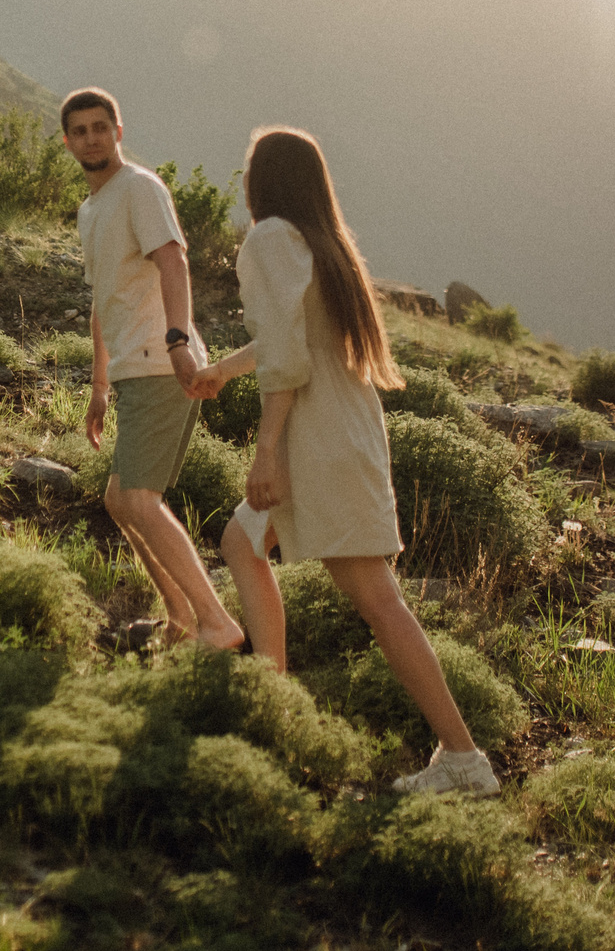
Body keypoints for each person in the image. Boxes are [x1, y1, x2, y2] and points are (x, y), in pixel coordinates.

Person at [189, 125, 500, 796]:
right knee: (241, 540)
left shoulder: (272, 238)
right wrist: (224, 370)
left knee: (377, 599)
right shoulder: (322, 240)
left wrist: (265, 450)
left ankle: (463, 756)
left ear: (261, 179)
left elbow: (290, 358)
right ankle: (278, 704)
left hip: (315, 433)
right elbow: (291, 339)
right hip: (342, 422)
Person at [62, 86, 247, 652]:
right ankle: (180, 618)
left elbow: (173, 260)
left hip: (161, 363)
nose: (91, 137)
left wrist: (177, 341)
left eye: (101, 127)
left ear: (118, 132)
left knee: (139, 498)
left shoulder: (140, 188)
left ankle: (216, 624)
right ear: (68, 142)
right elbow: (103, 300)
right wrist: (98, 385)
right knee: (122, 500)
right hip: (130, 368)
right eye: (80, 130)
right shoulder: (91, 208)